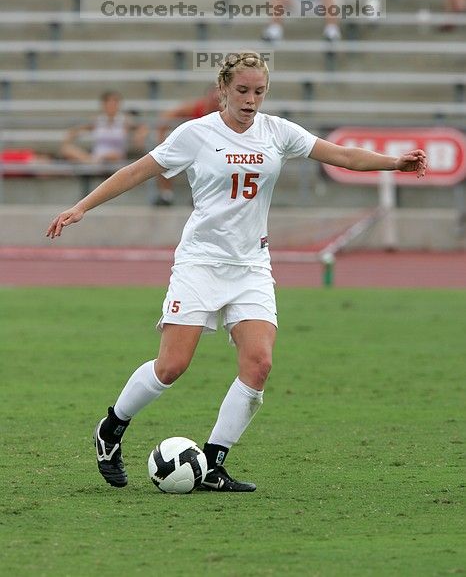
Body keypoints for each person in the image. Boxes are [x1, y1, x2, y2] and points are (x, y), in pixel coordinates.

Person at [46, 51, 427, 492]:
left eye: (259, 92)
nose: (251, 100)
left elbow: (340, 155)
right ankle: (111, 428)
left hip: (251, 266)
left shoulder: (277, 131)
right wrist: (81, 207)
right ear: (222, 90)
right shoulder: (196, 134)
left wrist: (393, 163)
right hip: (200, 262)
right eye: (242, 91)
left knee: (259, 363)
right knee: (171, 366)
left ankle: (212, 463)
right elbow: (137, 171)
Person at [154, 86, 220, 206]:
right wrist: (161, 137)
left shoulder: (225, 114)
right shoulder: (197, 108)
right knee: (162, 158)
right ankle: (166, 195)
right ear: (207, 97)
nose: (215, 103)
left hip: (213, 150)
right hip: (192, 147)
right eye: (212, 99)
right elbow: (168, 116)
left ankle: (202, 195)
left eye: (218, 99)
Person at [60, 91, 148, 164]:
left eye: (114, 102)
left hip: (115, 158)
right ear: (103, 105)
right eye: (108, 103)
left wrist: (139, 136)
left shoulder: (125, 120)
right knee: (67, 149)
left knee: (113, 155)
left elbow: (143, 127)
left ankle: (93, 162)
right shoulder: (97, 120)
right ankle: (92, 162)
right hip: (96, 158)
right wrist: (70, 137)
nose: (111, 106)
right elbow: (74, 131)